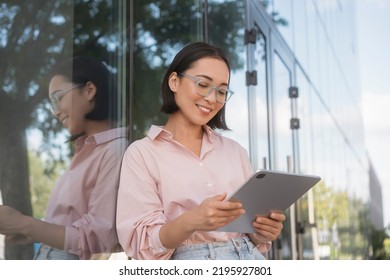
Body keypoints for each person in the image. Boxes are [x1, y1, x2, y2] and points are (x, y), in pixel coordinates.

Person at [116, 42, 285, 260]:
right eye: (203, 84)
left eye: (222, 91)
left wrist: (262, 233)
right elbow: (143, 245)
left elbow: (250, 234)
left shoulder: (236, 152)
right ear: (174, 81)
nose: (212, 98)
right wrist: (192, 220)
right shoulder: (142, 154)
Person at [0, 56, 128, 260]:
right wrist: (34, 231)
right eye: (52, 103)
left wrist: (24, 224)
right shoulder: (88, 151)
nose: (55, 111)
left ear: (89, 90)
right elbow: (74, 226)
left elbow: (100, 237)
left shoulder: (115, 150)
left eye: (58, 98)